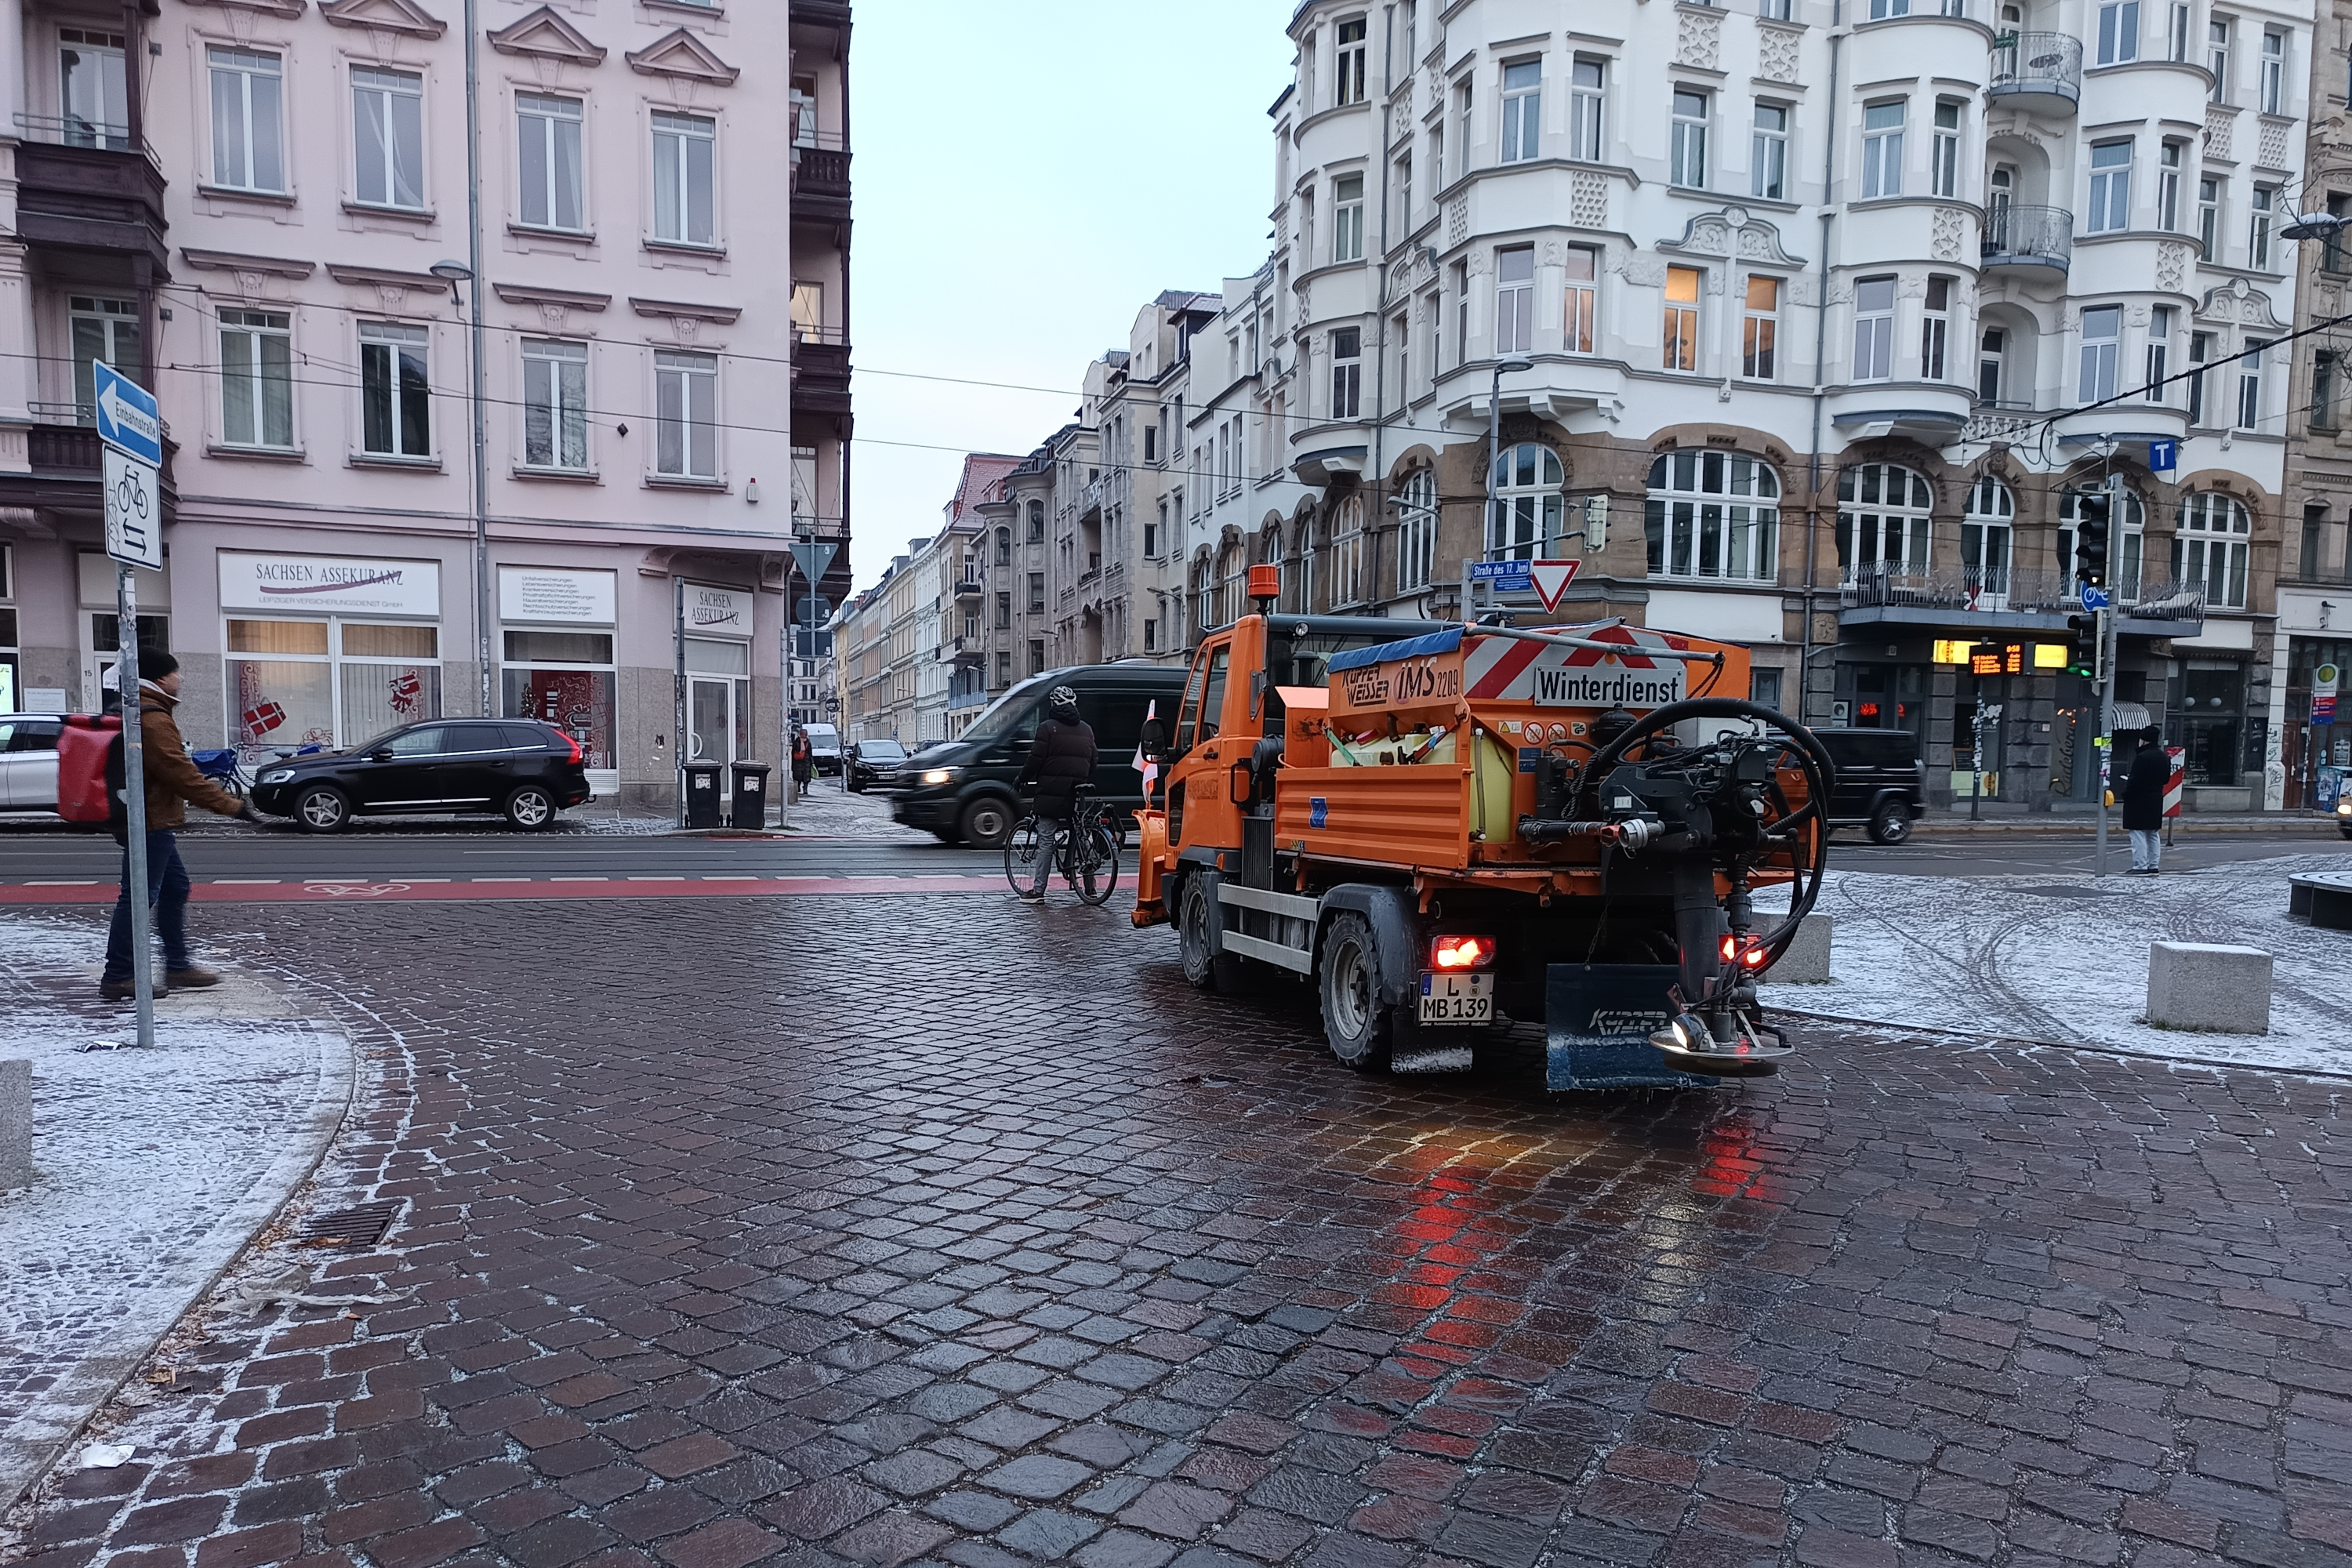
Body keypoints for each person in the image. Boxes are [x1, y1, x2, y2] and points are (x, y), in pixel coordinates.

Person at [100, 653, 260, 1000]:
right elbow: (180, 774)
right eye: (176, 672)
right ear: (160, 679)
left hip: (150, 818)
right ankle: (118, 976)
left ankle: (177, 966)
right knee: (138, 898)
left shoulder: (142, 709)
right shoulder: (152, 718)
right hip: (149, 821)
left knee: (175, 888)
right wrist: (231, 805)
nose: (181, 678)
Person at [1014, 685, 1095, 903]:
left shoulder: (1047, 728)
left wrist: (1021, 778)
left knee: (1046, 840)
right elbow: (1094, 759)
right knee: (1081, 834)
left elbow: (1035, 759)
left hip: (1051, 793)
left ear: (1053, 705)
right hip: (1077, 791)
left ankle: (1038, 891)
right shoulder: (1087, 729)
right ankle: (1091, 888)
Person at [2119, 726, 2169, 875]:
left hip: (2139, 799)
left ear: (2143, 740)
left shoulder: (2142, 757)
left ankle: (2140, 866)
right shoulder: (2164, 757)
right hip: (2155, 799)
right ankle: (2153, 866)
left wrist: (2125, 793)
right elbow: (2166, 779)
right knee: (2153, 833)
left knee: (2137, 833)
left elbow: (2134, 780)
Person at [792, 728, 814, 793]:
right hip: (805, 762)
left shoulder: (796, 742)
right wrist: (812, 762)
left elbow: (793, 752)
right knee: (805, 776)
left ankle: (800, 788)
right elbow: (810, 753)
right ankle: (805, 788)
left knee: (799, 776)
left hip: (798, 761)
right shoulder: (808, 742)